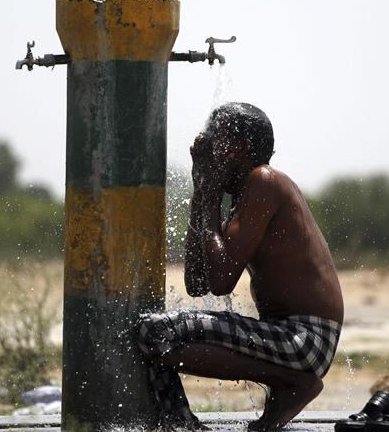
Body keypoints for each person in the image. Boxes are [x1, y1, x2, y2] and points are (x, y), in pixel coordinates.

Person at [137, 102, 344, 431]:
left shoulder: (265, 181)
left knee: (152, 330)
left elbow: (220, 281)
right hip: (288, 337)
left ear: (235, 149)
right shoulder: (246, 194)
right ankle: (180, 423)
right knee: (155, 334)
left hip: (304, 338)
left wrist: (207, 194)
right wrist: (202, 194)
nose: (202, 149)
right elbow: (197, 283)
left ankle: (292, 383)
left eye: (211, 142)